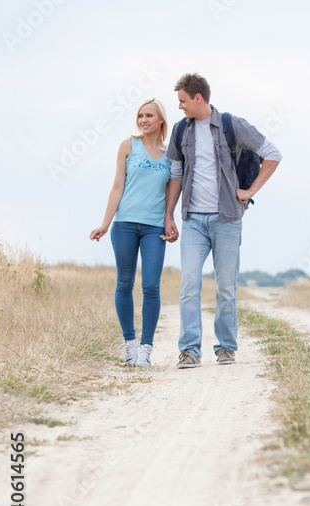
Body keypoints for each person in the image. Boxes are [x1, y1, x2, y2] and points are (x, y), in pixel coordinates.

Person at [162, 73, 281, 369]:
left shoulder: (232, 125)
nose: (179, 107)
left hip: (227, 218)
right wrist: (169, 215)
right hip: (192, 221)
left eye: (182, 101)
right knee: (189, 284)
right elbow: (176, 175)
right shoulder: (180, 131)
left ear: (198, 98)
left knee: (226, 287)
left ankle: (226, 347)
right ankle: (189, 350)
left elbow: (273, 153)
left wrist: (251, 190)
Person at [90, 98, 175, 368]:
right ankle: (129, 345)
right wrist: (105, 223)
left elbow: (171, 193)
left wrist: (170, 221)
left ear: (161, 119)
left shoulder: (172, 154)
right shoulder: (128, 146)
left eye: (149, 115)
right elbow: (117, 187)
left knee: (151, 286)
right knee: (124, 284)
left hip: (154, 228)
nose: (143, 120)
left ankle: (146, 349)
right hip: (125, 224)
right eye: (140, 116)